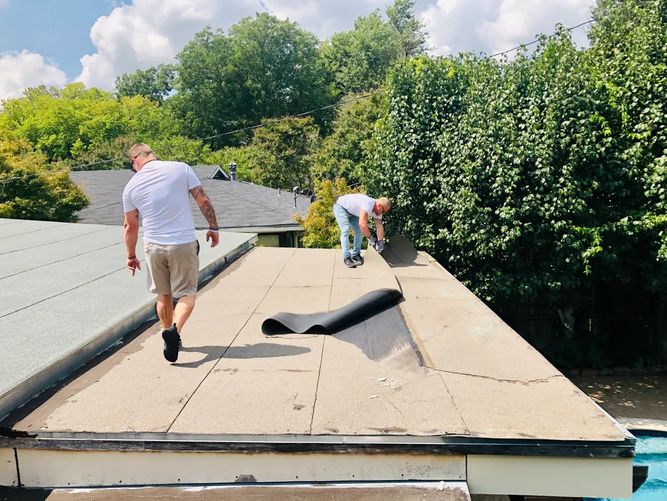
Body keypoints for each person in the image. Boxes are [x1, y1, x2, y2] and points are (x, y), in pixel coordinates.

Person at [122, 143, 220, 363]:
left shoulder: (130, 186)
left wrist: (131, 256)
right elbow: (202, 199)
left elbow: (130, 226)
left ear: (135, 160)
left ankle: (167, 332)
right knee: (187, 294)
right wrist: (213, 227)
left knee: (163, 295)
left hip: (153, 246)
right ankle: (175, 330)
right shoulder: (180, 168)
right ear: (150, 154)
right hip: (182, 243)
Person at [333, 193, 391, 268]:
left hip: (353, 213)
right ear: (379, 205)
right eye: (383, 211)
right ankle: (347, 257)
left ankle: (356, 255)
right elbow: (362, 224)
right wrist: (371, 239)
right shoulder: (368, 203)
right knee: (346, 229)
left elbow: (379, 227)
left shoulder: (378, 212)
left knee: (359, 231)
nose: (383, 213)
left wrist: (380, 243)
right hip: (341, 207)